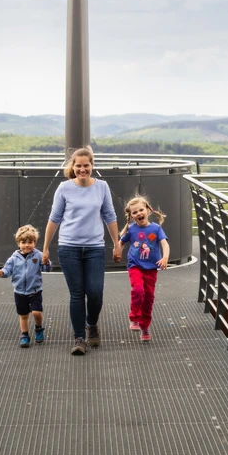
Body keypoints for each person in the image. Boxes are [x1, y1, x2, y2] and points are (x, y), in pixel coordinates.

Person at [42, 146, 121, 356]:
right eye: (78, 166)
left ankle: (91, 324)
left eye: (86, 165)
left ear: (92, 165)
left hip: (95, 247)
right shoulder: (64, 188)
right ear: (73, 166)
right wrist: (45, 248)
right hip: (69, 248)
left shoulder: (102, 187)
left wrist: (117, 244)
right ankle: (79, 338)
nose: (82, 169)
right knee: (77, 294)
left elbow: (110, 216)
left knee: (95, 292)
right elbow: (54, 218)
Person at [117, 195, 169, 342]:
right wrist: (117, 252)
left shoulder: (156, 229)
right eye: (135, 212)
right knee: (138, 290)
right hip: (136, 266)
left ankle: (145, 326)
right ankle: (134, 317)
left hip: (151, 268)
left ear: (147, 210)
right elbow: (121, 242)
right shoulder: (131, 230)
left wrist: (165, 257)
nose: (139, 213)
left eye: (141, 210)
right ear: (131, 216)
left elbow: (164, 243)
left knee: (148, 298)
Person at [0, 224, 52, 348]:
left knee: (36, 312)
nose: (27, 245)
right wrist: (3, 273)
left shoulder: (38, 255)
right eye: (23, 242)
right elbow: (8, 270)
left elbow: (47, 269)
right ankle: (24, 334)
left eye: (30, 242)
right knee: (23, 315)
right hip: (20, 291)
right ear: (18, 243)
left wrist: (46, 263)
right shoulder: (14, 258)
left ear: (35, 243)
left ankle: (38, 328)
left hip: (35, 291)